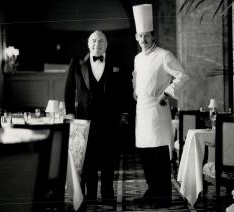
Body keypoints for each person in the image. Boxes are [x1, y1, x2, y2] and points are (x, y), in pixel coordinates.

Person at [132, 4, 189, 208]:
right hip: (142, 111)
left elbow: (182, 76)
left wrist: (167, 93)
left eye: (146, 36)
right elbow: (138, 78)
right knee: (147, 156)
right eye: (140, 36)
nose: (143, 40)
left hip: (158, 110)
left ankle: (163, 196)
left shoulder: (164, 55)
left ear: (152, 36)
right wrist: (135, 89)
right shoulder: (138, 58)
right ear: (136, 37)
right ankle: (152, 193)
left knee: (159, 155)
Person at [64, 30, 128, 205]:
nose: (96, 44)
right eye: (93, 41)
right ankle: (90, 194)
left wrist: (124, 113)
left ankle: (108, 194)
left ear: (106, 45)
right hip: (84, 118)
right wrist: (70, 113)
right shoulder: (77, 62)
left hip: (109, 118)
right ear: (88, 44)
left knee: (108, 158)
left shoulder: (117, 62)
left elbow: (124, 90)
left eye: (100, 41)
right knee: (88, 159)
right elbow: (69, 89)